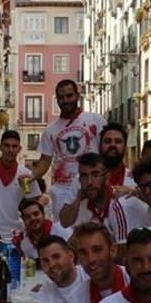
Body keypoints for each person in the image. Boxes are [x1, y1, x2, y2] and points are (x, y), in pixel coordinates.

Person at [28, 80, 106, 220]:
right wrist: (31, 176)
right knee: (64, 233)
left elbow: (106, 151)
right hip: (62, 191)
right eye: (61, 97)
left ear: (77, 95)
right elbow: (45, 160)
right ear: (57, 99)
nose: (65, 100)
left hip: (91, 186)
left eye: (69, 96)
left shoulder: (96, 120)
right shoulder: (50, 130)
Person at [0, 234, 88, 303]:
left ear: (71, 256)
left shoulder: (88, 277)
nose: (51, 264)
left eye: (56, 257)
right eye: (45, 260)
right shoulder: (48, 289)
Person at [57, 153, 129, 246]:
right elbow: (65, 223)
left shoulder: (121, 202)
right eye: (84, 176)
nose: (89, 182)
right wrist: (78, 199)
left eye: (95, 175)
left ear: (107, 178)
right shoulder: (82, 204)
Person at [99, 122, 151, 230]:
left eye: (118, 141)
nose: (112, 145)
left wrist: (137, 194)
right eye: (107, 141)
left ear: (125, 147)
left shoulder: (136, 182)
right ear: (100, 146)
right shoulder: (84, 180)